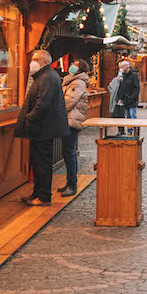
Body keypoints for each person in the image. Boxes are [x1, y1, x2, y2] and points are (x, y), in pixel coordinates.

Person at [18, 49, 69, 206]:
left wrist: (30, 117)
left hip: (43, 128)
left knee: (42, 164)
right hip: (43, 128)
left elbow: (43, 104)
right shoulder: (46, 76)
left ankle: (44, 196)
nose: (32, 61)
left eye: (36, 59)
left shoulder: (47, 78)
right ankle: (37, 193)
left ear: (45, 62)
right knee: (39, 163)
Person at [60, 58, 91, 197]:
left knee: (69, 152)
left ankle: (72, 184)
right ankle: (69, 182)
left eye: (75, 65)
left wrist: (56, 108)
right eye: (72, 64)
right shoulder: (72, 80)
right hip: (69, 119)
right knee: (68, 152)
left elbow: (68, 102)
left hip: (71, 120)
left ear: (80, 69)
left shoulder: (78, 82)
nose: (72, 66)